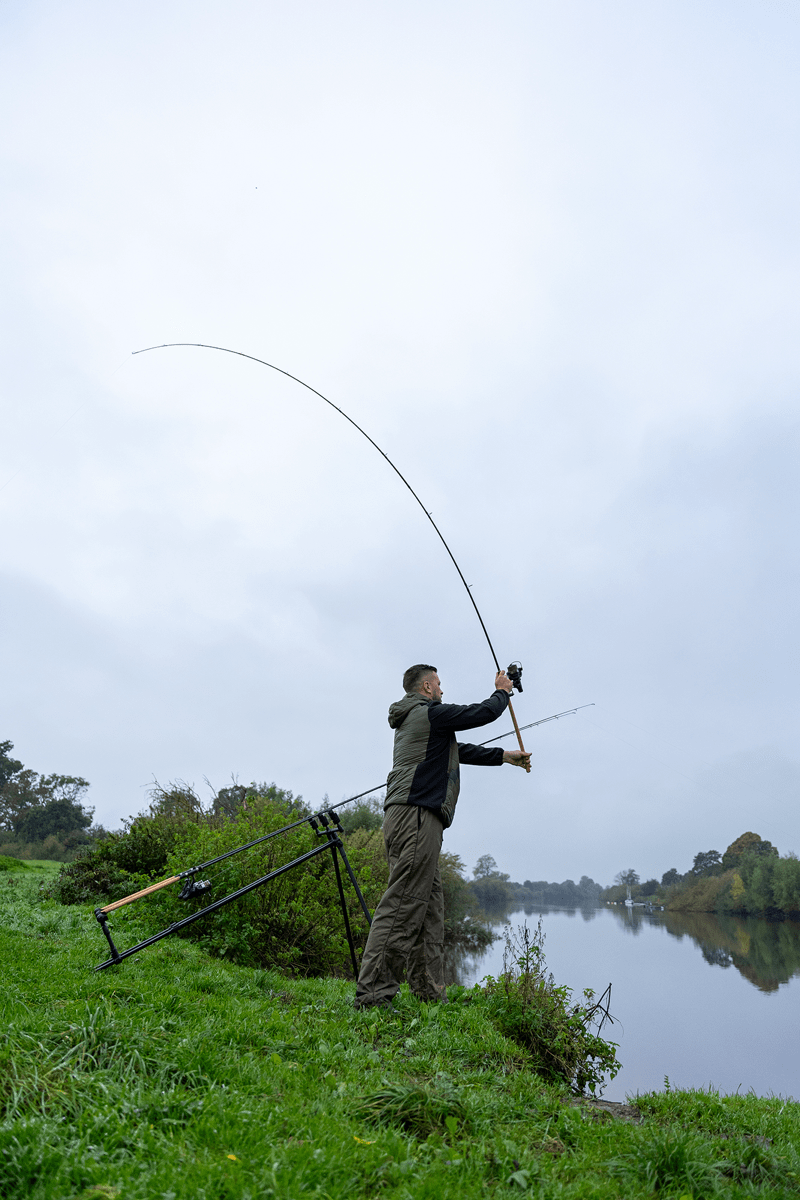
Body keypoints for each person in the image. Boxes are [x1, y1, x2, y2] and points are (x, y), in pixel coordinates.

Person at [354, 663, 530, 1009]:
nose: (442, 690)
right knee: (403, 905)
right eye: (438, 684)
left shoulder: (418, 721)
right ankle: (373, 994)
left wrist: (503, 756)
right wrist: (503, 691)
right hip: (417, 815)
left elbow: (457, 750)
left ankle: (428, 991)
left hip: (410, 816)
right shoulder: (427, 713)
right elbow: (481, 713)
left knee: (429, 909)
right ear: (425, 686)